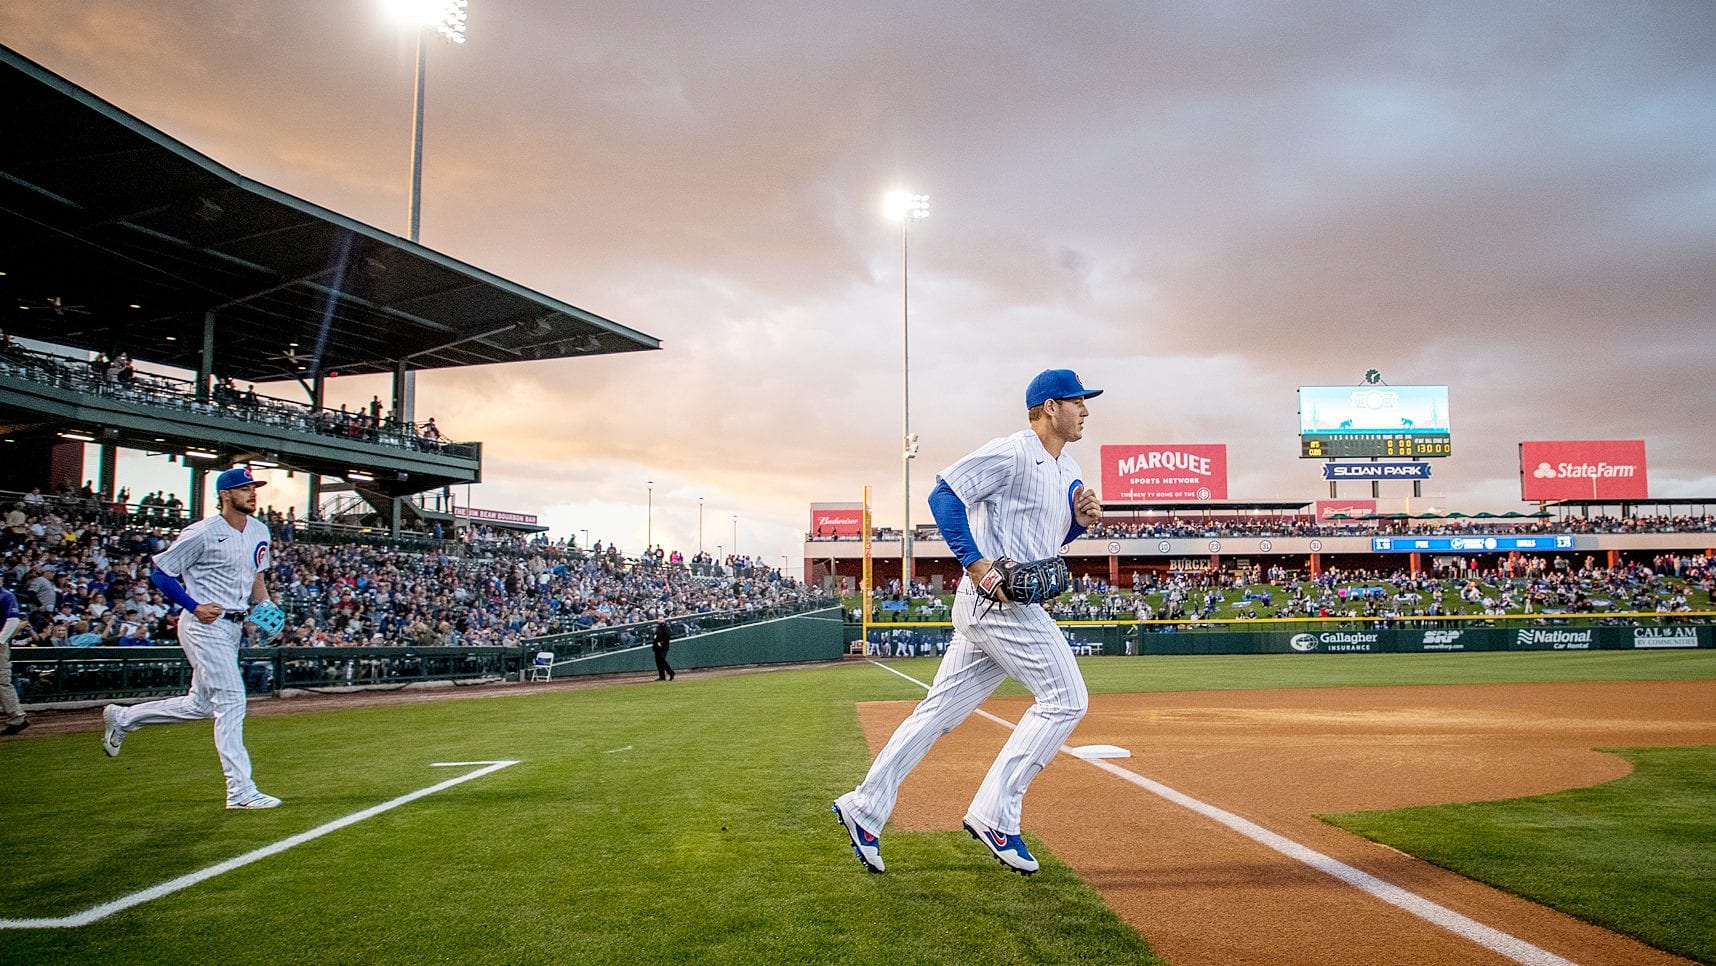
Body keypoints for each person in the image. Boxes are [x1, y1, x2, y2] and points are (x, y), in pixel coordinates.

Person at [833, 369, 1104, 876]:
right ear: (1050, 407)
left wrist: (1078, 523)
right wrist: (977, 565)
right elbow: (944, 495)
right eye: (1078, 401)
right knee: (1066, 699)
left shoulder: (1068, 468)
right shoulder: (1013, 452)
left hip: (999, 605)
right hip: (998, 604)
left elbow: (1046, 546)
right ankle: (995, 816)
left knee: (938, 712)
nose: (1086, 410)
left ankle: (864, 807)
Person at [101, 467, 283, 809]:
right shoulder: (201, 532)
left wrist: (268, 610)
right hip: (203, 624)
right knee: (231, 700)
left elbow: (256, 579)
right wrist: (193, 605)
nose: (253, 493)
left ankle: (123, 718)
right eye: (245, 488)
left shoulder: (259, 530)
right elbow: (161, 573)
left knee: (199, 705)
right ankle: (240, 791)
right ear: (226, 495)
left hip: (232, 626)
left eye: (254, 487)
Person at [1, 584, 28, 735]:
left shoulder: (5, 596)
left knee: (1, 682)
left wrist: (0, 640)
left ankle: (17, 718)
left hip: (0, 644)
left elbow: (12, 620)